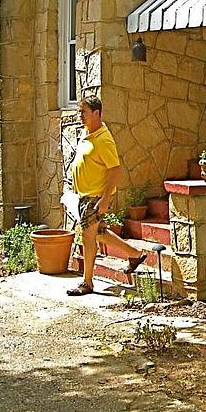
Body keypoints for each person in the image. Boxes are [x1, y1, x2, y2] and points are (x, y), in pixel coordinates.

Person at [65, 95, 148, 296]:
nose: (80, 116)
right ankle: (135, 254)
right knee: (99, 233)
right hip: (84, 196)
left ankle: (87, 282)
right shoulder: (88, 134)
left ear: (96, 113)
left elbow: (115, 170)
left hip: (95, 197)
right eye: (79, 111)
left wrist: (105, 199)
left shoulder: (104, 139)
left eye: (83, 112)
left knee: (88, 238)